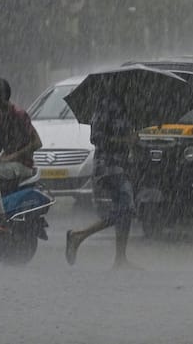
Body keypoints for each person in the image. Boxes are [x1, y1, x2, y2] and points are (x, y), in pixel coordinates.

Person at [65, 92, 139, 269]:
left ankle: (120, 259)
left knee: (122, 210)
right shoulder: (106, 103)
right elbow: (96, 138)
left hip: (121, 164)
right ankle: (78, 236)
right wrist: (123, 140)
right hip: (107, 166)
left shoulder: (126, 104)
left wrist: (132, 140)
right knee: (126, 207)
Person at [0, 78, 42, 231]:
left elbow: (37, 143)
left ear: (1, 95)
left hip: (23, 165)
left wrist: (12, 156)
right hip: (7, 164)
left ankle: (0, 217)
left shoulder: (19, 114)